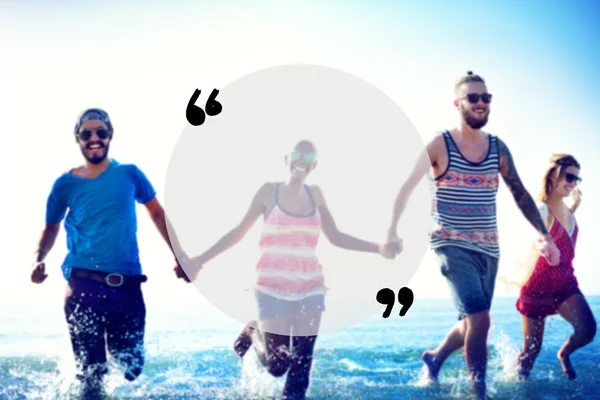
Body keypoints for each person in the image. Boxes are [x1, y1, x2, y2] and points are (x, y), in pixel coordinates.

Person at [384, 71, 560, 399]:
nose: (481, 104)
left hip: (489, 249)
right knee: (480, 321)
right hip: (450, 243)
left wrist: (544, 235)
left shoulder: (498, 148)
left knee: (470, 321)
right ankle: (479, 394)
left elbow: (520, 193)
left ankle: (435, 358)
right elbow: (407, 187)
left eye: (486, 98)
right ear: (458, 103)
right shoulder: (440, 143)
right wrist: (392, 231)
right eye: (473, 98)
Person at [177, 140, 398, 400]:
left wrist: (379, 248)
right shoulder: (268, 192)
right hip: (271, 288)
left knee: (302, 366)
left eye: (308, 157)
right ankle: (253, 329)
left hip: (310, 287)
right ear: (287, 159)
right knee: (278, 365)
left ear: (314, 165)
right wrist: (199, 260)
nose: (301, 160)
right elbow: (238, 232)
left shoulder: (316, 194)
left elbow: (336, 236)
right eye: (297, 154)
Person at [30, 108, 187, 397]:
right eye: (86, 133)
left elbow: (156, 213)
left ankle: (113, 353)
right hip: (83, 285)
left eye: (100, 132)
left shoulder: (130, 174)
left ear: (110, 136)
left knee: (132, 367)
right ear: (77, 139)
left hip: (126, 286)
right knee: (93, 374)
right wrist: (39, 258)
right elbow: (50, 228)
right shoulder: (64, 185)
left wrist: (180, 255)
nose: (94, 138)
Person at [515, 154, 596, 380]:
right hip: (537, 285)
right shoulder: (541, 209)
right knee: (531, 352)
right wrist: (544, 244)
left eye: (576, 179)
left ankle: (565, 353)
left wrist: (576, 204)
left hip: (565, 283)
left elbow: (564, 223)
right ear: (553, 175)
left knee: (588, 330)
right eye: (569, 177)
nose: (572, 183)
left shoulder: (569, 212)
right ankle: (518, 388)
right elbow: (537, 232)